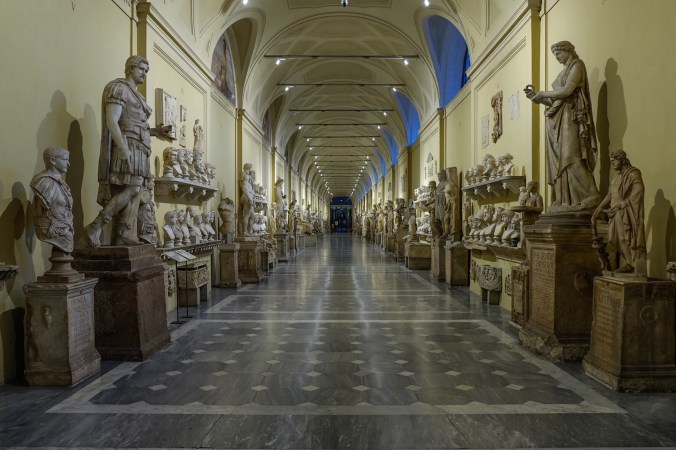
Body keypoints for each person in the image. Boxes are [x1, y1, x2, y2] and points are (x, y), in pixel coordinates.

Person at [85, 55, 168, 246]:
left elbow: (137, 124)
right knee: (132, 189)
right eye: (141, 69)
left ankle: (124, 234)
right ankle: (95, 226)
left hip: (140, 147)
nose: (144, 74)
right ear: (130, 68)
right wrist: (122, 148)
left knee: (136, 191)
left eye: (146, 71)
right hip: (128, 146)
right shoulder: (119, 88)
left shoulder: (137, 95)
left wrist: (155, 131)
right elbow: (112, 120)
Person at [524, 41, 601, 210]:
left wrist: (542, 93)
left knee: (571, 156)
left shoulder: (577, 65)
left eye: (558, 54)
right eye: (555, 55)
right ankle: (564, 201)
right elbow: (554, 100)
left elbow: (567, 91)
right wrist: (536, 97)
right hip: (557, 119)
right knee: (559, 161)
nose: (557, 58)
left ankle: (591, 195)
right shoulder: (563, 71)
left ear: (568, 51)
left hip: (570, 116)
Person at [592, 150, 646, 274]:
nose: (613, 164)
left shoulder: (633, 173)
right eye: (611, 162)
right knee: (613, 238)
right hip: (614, 211)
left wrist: (626, 202)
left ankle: (631, 264)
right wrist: (599, 207)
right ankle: (629, 262)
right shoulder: (616, 178)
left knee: (624, 238)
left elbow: (639, 190)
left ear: (621, 159)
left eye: (614, 161)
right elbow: (610, 194)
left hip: (625, 211)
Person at [30, 147, 74, 253]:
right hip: (52, 230)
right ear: (53, 160)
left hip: (66, 229)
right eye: (65, 159)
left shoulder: (63, 184)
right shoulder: (42, 183)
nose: (68, 163)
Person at [239, 163, 255, 236]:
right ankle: (244, 232)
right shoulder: (245, 176)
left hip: (250, 197)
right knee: (247, 215)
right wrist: (249, 198)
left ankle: (250, 231)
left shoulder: (248, 178)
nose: (250, 170)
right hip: (247, 198)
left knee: (252, 216)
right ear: (246, 168)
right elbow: (244, 188)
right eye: (249, 169)